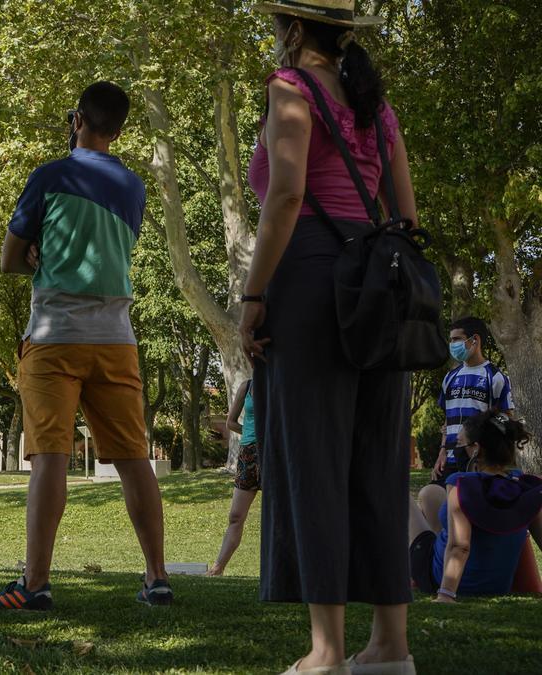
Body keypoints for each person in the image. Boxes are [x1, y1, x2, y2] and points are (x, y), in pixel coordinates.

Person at [239, 2, 417, 673]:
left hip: (311, 279)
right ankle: (391, 646)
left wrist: (253, 297)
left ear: (290, 29)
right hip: (378, 281)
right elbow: (406, 216)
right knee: (376, 460)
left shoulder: (290, 90)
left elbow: (284, 197)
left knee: (314, 459)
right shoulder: (376, 103)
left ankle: (326, 652)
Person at [0, 81, 171, 612]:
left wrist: (36, 254)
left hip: (54, 338)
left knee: (50, 460)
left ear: (78, 118)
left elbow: (9, 259)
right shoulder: (134, 187)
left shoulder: (51, 176)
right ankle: (157, 578)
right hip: (116, 340)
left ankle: (34, 585)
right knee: (134, 461)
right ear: (120, 128)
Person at [409, 411, 542, 601]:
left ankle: (395, 577)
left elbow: (460, 546)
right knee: (430, 493)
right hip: (498, 585)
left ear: (476, 449)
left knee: (401, 500)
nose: (457, 450)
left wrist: (445, 594)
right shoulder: (525, 487)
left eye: (461, 444)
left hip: (441, 579)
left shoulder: (462, 484)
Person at [418, 317, 515, 531]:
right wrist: (442, 450)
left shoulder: (496, 377)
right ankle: (439, 556)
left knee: (472, 520)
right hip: (450, 457)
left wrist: (487, 434)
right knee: (436, 508)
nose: (452, 345)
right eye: (450, 340)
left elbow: (507, 419)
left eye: (457, 339)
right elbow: (448, 419)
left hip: (479, 459)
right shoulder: (450, 377)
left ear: (474, 340)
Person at [208, 379, 259, 577]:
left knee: (280, 517)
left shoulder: (283, 383)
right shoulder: (246, 387)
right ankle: (218, 568)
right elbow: (230, 422)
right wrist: (250, 432)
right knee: (236, 516)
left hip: (274, 454)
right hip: (248, 455)